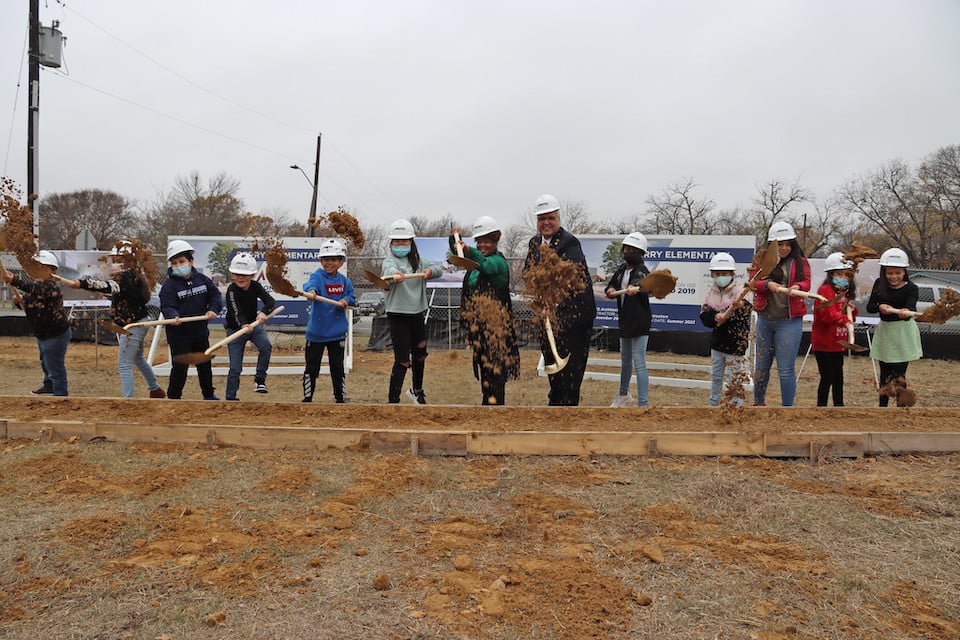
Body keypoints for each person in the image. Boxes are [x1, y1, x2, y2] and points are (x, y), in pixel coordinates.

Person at [524, 194, 596, 406]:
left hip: (575, 315)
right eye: (541, 218)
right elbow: (529, 271)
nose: (546, 223)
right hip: (548, 316)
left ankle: (568, 406)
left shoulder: (570, 243)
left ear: (558, 218)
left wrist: (553, 301)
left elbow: (570, 277)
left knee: (571, 368)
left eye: (550, 218)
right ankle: (555, 401)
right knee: (552, 361)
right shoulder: (534, 242)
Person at [68, 240, 165, 398]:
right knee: (138, 358)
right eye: (115, 260)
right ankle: (155, 389)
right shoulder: (134, 277)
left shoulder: (126, 277)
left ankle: (128, 400)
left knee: (124, 363)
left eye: (120, 260)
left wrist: (82, 283)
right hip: (135, 322)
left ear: (129, 261)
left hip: (132, 326)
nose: (115, 263)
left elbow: (106, 286)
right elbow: (120, 293)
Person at [450, 216, 520, 405]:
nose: (482, 245)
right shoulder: (474, 264)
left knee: (496, 372)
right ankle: (487, 405)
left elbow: (486, 266)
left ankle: (495, 409)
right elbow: (459, 257)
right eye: (479, 241)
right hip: (480, 328)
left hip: (497, 330)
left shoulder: (498, 262)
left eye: (487, 241)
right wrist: (454, 240)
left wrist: (469, 250)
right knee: (485, 371)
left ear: (496, 242)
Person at [751, 220, 811, 406]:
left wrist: (797, 286)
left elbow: (806, 283)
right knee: (761, 368)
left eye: (787, 244)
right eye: (779, 244)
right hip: (765, 320)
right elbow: (752, 282)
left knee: (785, 369)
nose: (784, 248)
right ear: (771, 245)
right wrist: (767, 284)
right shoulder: (761, 259)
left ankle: (787, 409)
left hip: (789, 322)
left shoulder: (800, 262)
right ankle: (758, 404)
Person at [382, 218, 442, 404]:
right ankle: (393, 399)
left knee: (420, 354)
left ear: (411, 243)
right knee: (402, 359)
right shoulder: (389, 261)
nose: (401, 245)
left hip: (417, 314)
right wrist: (395, 276)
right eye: (397, 242)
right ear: (391, 244)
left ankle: (417, 391)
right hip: (398, 315)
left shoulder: (418, 261)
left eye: (405, 241)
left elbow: (438, 269)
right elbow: (388, 271)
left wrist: (430, 272)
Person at [159, 239, 223, 400]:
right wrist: (173, 315)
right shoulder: (169, 286)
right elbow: (166, 306)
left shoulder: (202, 279)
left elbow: (215, 295)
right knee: (180, 368)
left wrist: (213, 309)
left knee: (204, 365)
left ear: (191, 261)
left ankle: (209, 395)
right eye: (174, 263)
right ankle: (173, 398)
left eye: (182, 261)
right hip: (179, 335)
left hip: (200, 332)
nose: (178, 265)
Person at [3, 250, 71, 396]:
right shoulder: (36, 288)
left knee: (55, 366)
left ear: (51, 270)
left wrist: (14, 280)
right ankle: (49, 386)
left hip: (56, 334)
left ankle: (61, 395)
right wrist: (19, 301)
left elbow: (38, 290)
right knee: (45, 362)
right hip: (42, 333)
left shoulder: (50, 286)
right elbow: (29, 304)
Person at [301, 239, 356, 403]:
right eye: (325, 259)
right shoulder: (318, 276)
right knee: (312, 368)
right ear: (321, 261)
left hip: (337, 333)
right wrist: (311, 291)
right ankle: (307, 397)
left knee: (337, 368)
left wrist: (346, 300)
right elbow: (310, 285)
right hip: (316, 333)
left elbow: (352, 296)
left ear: (340, 262)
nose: (329, 263)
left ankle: (340, 397)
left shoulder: (344, 281)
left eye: (333, 259)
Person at [867, 248, 922, 407]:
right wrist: (880, 306)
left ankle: (902, 408)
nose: (894, 276)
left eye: (898, 273)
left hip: (903, 333)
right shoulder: (879, 284)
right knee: (884, 373)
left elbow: (910, 307)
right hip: (886, 331)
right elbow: (871, 306)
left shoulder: (911, 288)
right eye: (890, 273)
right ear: (884, 272)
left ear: (904, 272)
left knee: (899, 374)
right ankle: (882, 409)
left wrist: (906, 312)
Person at [603, 232, 652, 407]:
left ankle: (643, 403)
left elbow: (643, 283)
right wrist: (609, 290)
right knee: (625, 361)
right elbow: (612, 284)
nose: (629, 252)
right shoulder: (621, 271)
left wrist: (635, 287)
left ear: (641, 254)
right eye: (627, 248)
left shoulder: (642, 271)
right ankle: (623, 394)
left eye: (634, 250)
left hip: (640, 321)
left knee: (639, 362)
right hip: (625, 321)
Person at [699, 252, 752, 407]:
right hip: (718, 343)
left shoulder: (741, 291)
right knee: (716, 376)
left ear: (732, 274)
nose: (721, 276)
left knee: (734, 378)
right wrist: (716, 317)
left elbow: (746, 312)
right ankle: (713, 403)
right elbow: (704, 315)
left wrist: (739, 308)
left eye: (724, 273)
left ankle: (736, 406)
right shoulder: (710, 292)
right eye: (717, 273)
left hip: (735, 344)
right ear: (712, 275)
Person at [223, 252, 276, 401]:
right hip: (235, 329)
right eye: (237, 274)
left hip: (254, 326)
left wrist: (263, 313)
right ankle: (230, 398)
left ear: (252, 275)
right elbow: (235, 310)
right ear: (232, 274)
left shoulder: (255, 286)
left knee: (266, 346)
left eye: (245, 275)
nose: (241, 278)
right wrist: (243, 324)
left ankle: (260, 381)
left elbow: (270, 301)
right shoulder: (231, 290)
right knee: (235, 367)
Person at [811, 252, 857, 407]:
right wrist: (844, 321)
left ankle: (839, 406)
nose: (843, 277)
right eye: (839, 274)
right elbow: (827, 315)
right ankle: (821, 407)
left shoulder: (844, 293)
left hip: (838, 343)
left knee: (838, 377)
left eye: (847, 275)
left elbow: (850, 316)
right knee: (827, 377)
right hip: (824, 343)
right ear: (831, 274)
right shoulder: (825, 290)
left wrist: (851, 311)